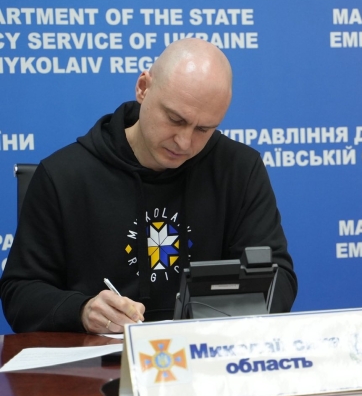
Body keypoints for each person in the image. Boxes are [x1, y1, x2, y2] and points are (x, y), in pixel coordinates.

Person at [0, 38, 298, 334]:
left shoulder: (239, 169)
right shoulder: (64, 175)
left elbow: (278, 279)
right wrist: (82, 310)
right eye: (175, 119)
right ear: (143, 88)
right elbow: (20, 292)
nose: (184, 142)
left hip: (205, 353)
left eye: (203, 129)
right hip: (98, 357)